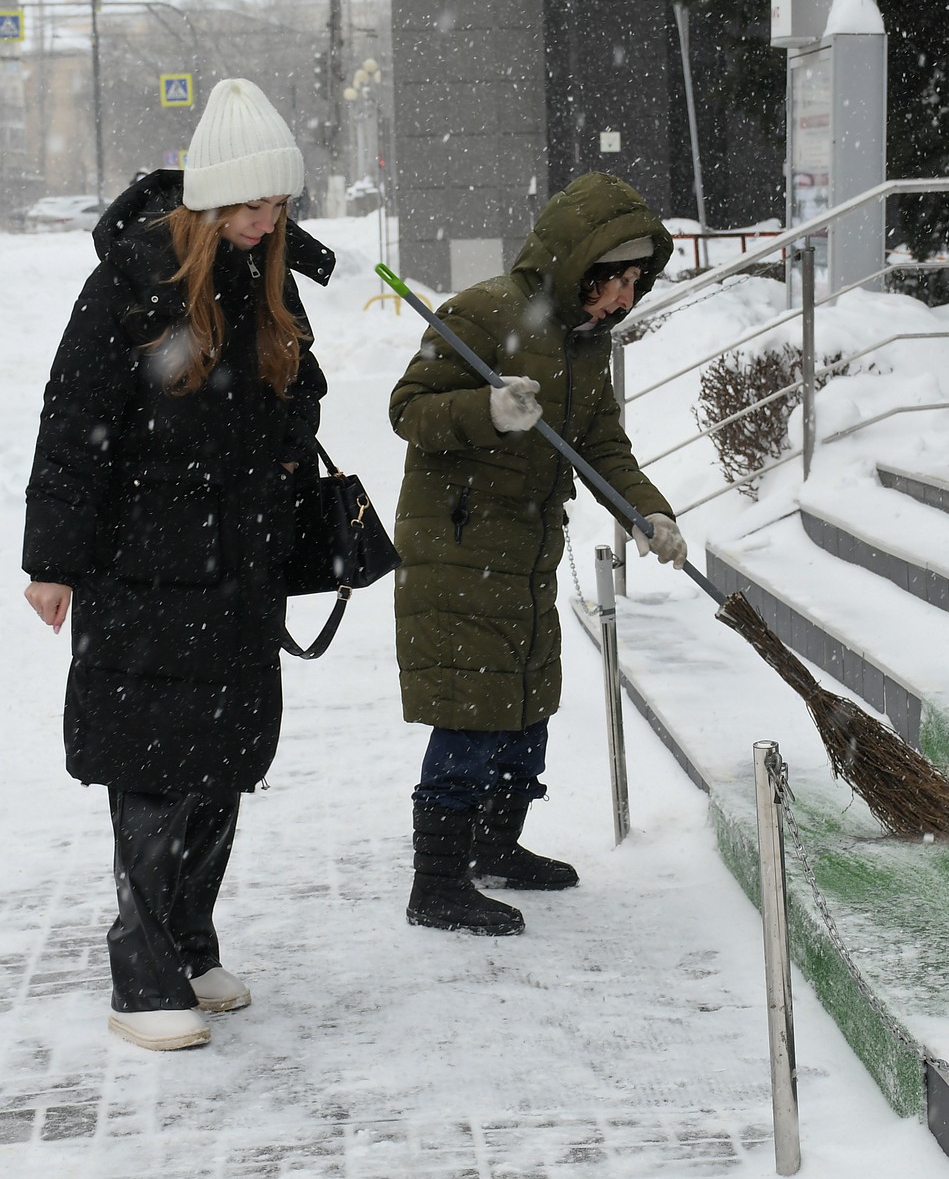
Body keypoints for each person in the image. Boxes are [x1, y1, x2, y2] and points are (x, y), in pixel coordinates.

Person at [22, 78, 335, 1051]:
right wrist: (54, 562)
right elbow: (75, 423)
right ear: (205, 204)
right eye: (246, 205)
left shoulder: (273, 279)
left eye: (276, 205)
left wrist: (285, 461)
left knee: (226, 765)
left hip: (237, 569)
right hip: (146, 569)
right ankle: (142, 973)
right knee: (156, 769)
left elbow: (300, 397)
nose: (263, 221)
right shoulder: (134, 279)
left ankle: (191, 947)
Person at [389, 172, 688, 937]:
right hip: (459, 543)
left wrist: (647, 510)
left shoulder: (586, 344)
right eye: (612, 278)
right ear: (576, 263)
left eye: (634, 281)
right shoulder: (482, 315)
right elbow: (409, 410)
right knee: (471, 710)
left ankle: (496, 844)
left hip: (525, 549)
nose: (623, 297)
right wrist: (486, 410)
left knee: (527, 704)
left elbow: (601, 446)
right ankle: (438, 882)